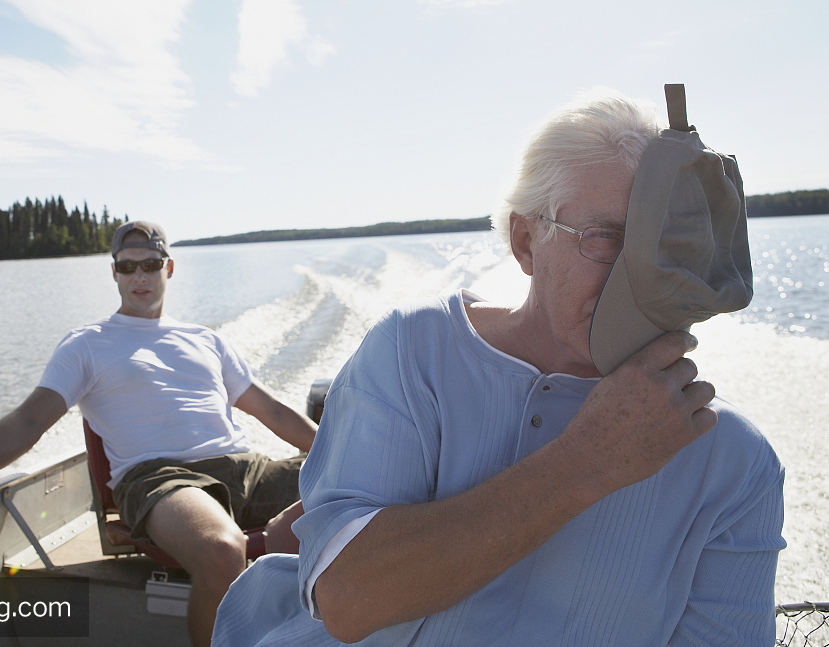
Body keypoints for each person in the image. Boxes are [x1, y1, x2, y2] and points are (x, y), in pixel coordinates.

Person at [213, 91, 784, 646]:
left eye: (662, 248)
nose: (638, 279)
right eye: (606, 238)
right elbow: (347, 598)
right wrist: (588, 461)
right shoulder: (415, 355)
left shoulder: (732, 460)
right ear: (525, 241)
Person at [0, 220, 317, 647]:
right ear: (114, 272)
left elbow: (274, 412)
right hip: (163, 480)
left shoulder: (205, 340)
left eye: (150, 264)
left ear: (168, 269)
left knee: (369, 486)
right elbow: (27, 422)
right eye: (127, 266)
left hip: (246, 469)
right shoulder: (87, 344)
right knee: (222, 550)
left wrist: (336, 455)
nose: (139, 276)